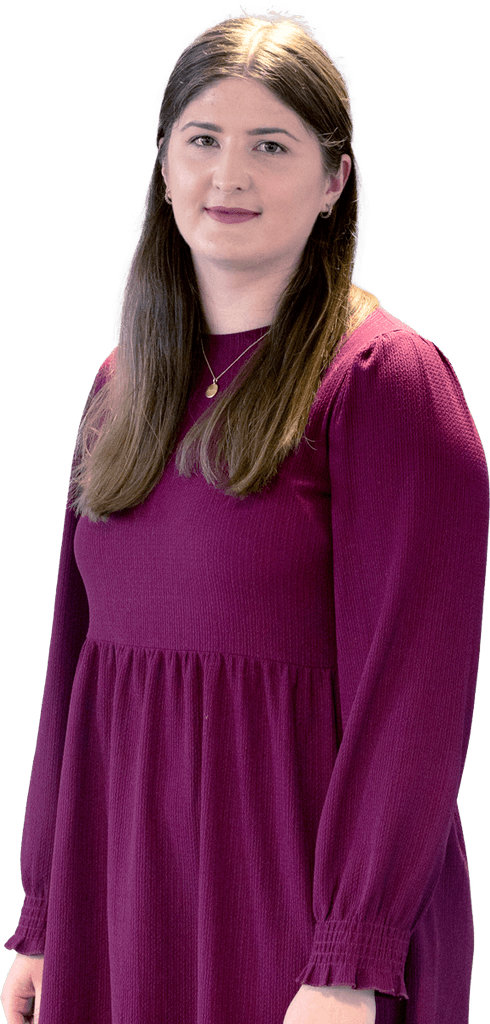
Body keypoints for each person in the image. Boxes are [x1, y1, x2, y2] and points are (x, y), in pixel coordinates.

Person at [1, 8, 488, 1024]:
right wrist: (44, 910)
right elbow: (72, 662)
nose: (229, 176)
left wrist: (349, 956)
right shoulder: (123, 386)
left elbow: (414, 695)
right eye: (202, 140)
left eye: (271, 146)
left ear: (334, 180)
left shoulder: (384, 382)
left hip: (299, 912)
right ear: (163, 166)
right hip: (123, 895)